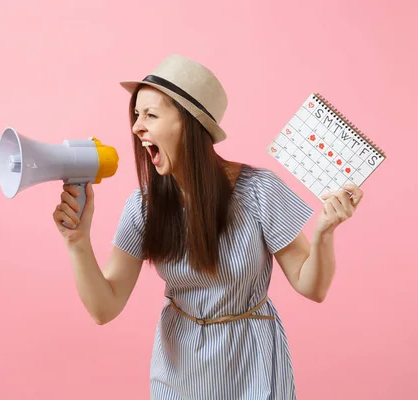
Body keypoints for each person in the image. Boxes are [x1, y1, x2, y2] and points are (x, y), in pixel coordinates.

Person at [52, 54, 363, 399]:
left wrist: (324, 233)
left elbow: (312, 287)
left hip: (253, 365)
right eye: (136, 115)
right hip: (179, 368)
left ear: (190, 125)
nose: (137, 127)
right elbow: (104, 308)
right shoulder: (143, 207)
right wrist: (77, 242)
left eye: (151, 115)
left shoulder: (260, 191)